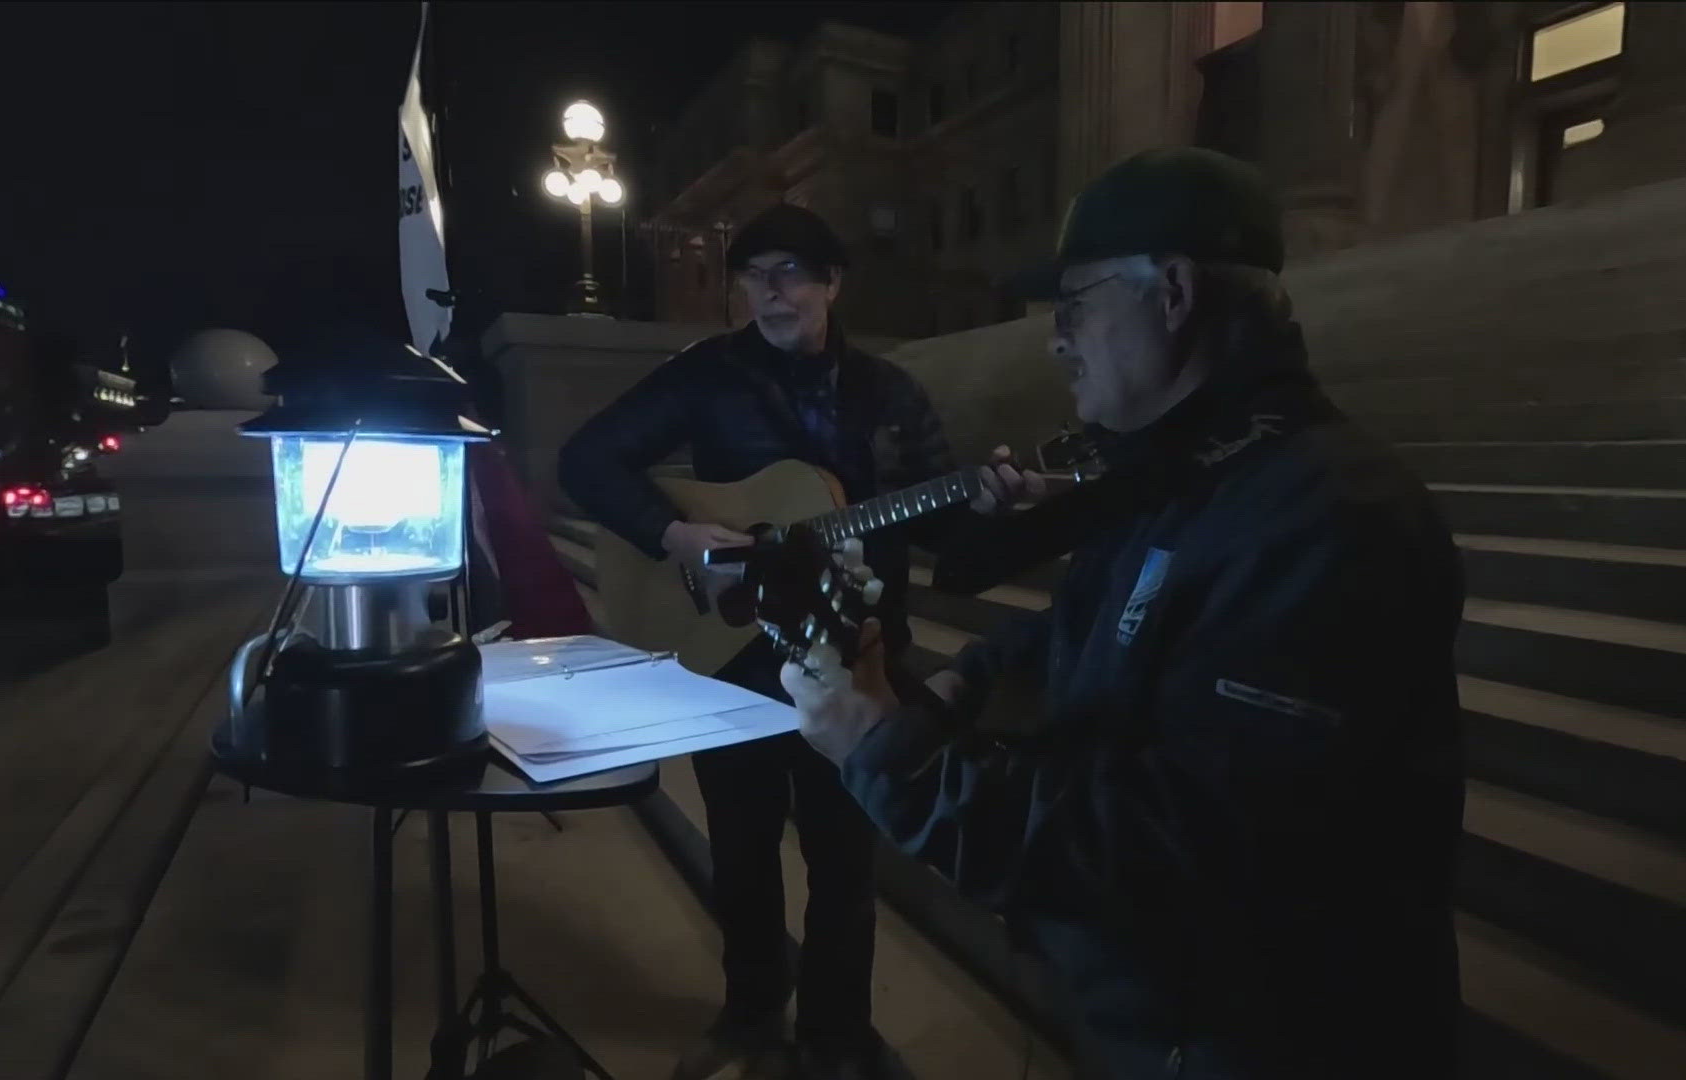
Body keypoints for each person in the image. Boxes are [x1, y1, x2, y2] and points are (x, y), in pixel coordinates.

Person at [782, 148, 1465, 1079]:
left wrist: (884, 756)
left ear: (1174, 291)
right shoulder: (1182, 476)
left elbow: (1174, 848)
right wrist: (949, 691)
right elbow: (1080, 631)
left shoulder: (1334, 516)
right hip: (1160, 1020)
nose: (1056, 340)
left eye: (1074, 306)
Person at [559, 204, 1021, 1080]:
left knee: (845, 861)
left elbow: (948, 539)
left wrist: (987, 505)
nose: (770, 293)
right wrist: (673, 534)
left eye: (791, 273)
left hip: (855, 653)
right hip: (730, 650)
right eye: (754, 275)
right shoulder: (706, 376)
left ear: (832, 284)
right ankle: (749, 1013)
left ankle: (838, 1036)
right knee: (738, 845)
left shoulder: (891, 395)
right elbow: (587, 460)